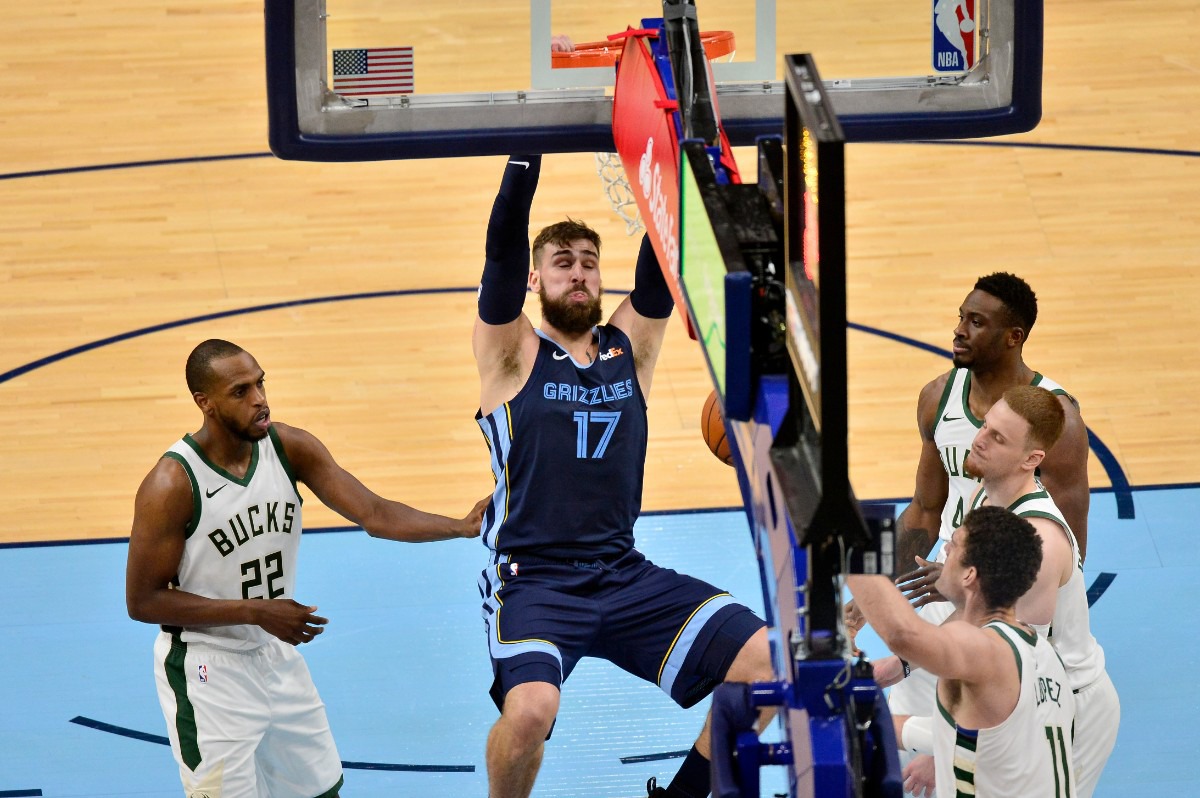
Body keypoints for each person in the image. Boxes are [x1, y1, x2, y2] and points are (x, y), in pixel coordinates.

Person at [472, 154, 774, 798]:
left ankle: (688, 793)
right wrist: (523, 159)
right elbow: (499, 258)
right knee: (528, 713)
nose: (579, 272)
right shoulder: (511, 353)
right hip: (535, 579)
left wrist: (673, 160)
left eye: (589, 260)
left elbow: (661, 265)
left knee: (768, 663)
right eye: (563, 261)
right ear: (535, 279)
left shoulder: (628, 347)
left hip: (621, 571)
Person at [126, 339, 487, 798]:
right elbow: (143, 601)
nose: (259, 399)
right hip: (206, 672)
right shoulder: (172, 483)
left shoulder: (289, 446)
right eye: (240, 392)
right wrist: (257, 611)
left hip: (274, 656)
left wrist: (458, 526)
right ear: (206, 403)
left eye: (260, 383)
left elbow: (374, 513)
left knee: (321, 793)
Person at [881, 272, 1091, 782]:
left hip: (1003, 604)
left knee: (970, 760)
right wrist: (884, 577)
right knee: (906, 761)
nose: (959, 330)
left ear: (1013, 337)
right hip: (946, 588)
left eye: (976, 322)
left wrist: (1003, 609)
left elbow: (1068, 542)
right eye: (960, 316)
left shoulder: (1055, 419)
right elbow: (924, 508)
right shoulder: (937, 397)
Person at [882, 386, 1118, 798]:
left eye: (998, 438)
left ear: (1032, 459)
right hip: (1026, 688)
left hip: (1063, 702)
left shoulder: (1041, 541)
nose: (979, 439)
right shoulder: (984, 492)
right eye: (985, 426)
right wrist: (899, 665)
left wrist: (946, 752)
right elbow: (983, 616)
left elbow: (1013, 669)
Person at [848, 505, 1076, 798]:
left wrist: (852, 545)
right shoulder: (1041, 652)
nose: (944, 549)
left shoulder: (985, 649)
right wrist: (865, 718)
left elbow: (903, 635)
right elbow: (977, 735)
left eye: (953, 545)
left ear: (969, 575)